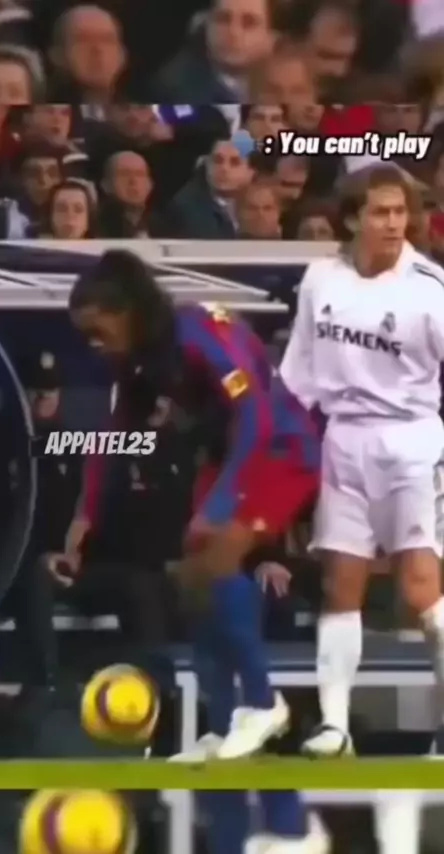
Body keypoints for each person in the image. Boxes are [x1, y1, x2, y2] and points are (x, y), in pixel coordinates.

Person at [59, 249, 325, 854]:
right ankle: (230, 721)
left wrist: (223, 501)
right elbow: (111, 440)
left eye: (98, 331)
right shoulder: (136, 363)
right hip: (226, 459)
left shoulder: (201, 332)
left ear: (129, 311)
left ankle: (264, 705)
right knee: (190, 582)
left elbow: (255, 417)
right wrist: (85, 514)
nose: (93, 345)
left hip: (279, 451)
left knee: (218, 551)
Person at [280, 162, 444, 758]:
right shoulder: (320, 279)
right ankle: (335, 727)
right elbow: (298, 373)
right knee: (339, 583)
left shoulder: (430, 288)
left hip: (412, 440)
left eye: (401, 212)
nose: (394, 223)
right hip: (343, 439)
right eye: (381, 212)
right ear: (352, 219)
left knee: (421, 590)